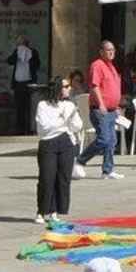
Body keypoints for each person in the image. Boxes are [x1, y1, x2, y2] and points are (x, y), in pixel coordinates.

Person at [34, 77, 82, 224]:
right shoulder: (43, 105)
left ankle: (55, 210)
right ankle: (42, 210)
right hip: (48, 142)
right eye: (66, 86)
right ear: (57, 88)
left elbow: (77, 126)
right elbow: (44, 127)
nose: (69, 88)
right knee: (47, 177)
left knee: (63, 178)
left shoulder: (68, 105)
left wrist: (71, 117)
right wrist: (63, 120)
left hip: (65, 142)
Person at [76, 40, 125, 180]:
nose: (111, 52)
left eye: (113, 50)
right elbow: (94, 86)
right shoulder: (97, 65)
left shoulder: (111, 67)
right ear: (101, 51)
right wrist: (101, 103)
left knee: (112, 141)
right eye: (108, 50)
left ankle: (108, 170)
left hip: (111, 111)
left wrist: (115, 106)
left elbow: (112, 89)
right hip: (100, 110)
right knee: (104, 139)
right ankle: (80, 160)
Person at [8, 35, 42, 124]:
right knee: (19, 106)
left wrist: (29, 57)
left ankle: (28, 126)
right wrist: (17, 56)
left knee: (29, 105)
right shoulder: (16, 52)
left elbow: (37, 64)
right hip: (18, 83)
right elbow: (9, 61)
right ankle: (20, 126)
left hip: (28, 83)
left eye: (22, 43)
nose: (21, 46)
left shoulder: (33, 52)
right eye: (19, 44)